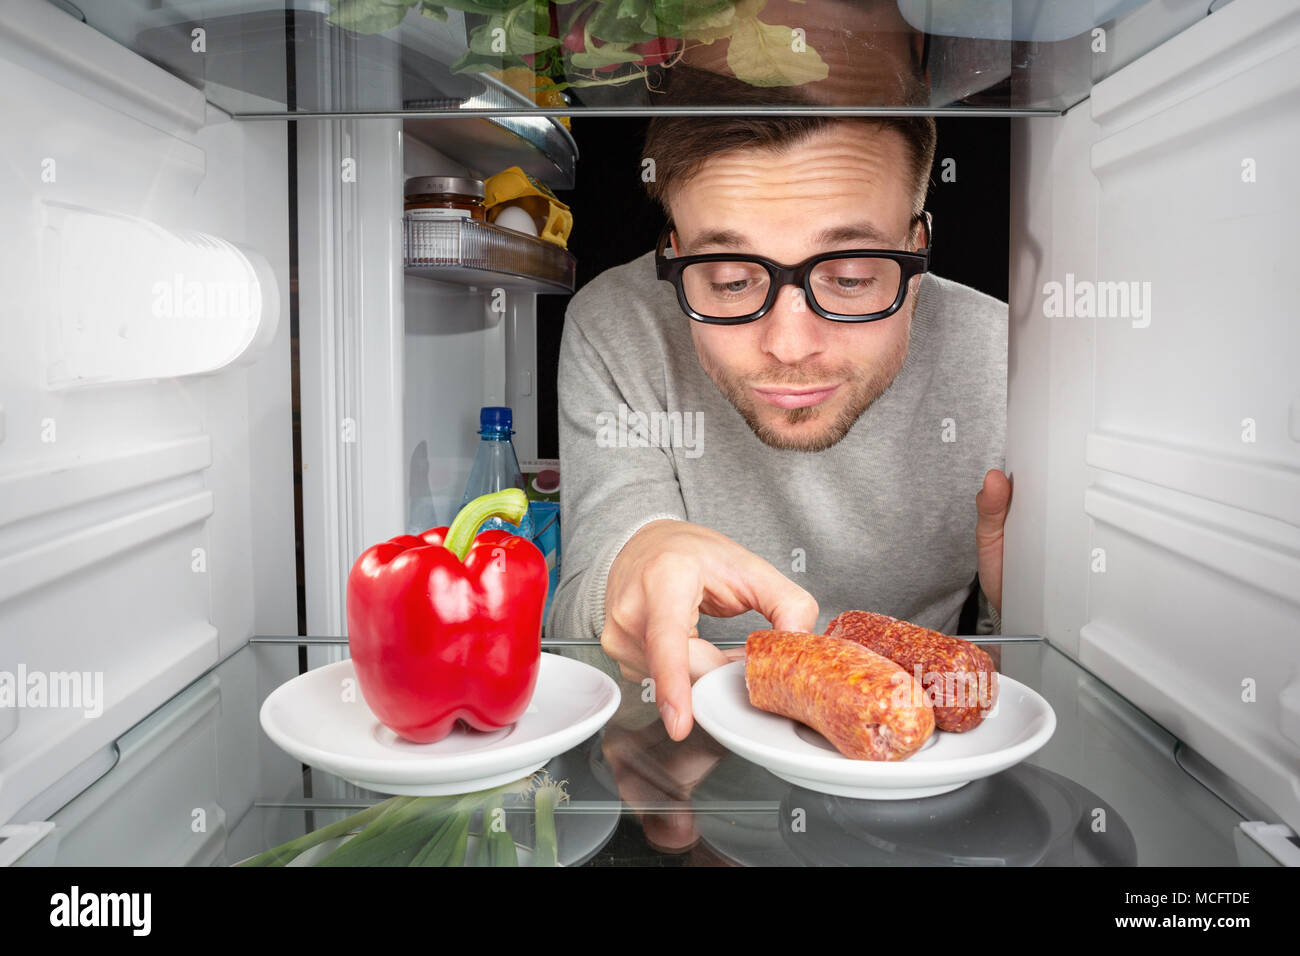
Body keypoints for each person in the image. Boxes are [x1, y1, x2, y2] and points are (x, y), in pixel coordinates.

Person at [549, 109, 1011, 742]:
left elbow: (1019, 687)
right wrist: (629, 567)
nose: (790, 346)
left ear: (917, 247)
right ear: (675, 252)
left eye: (850, 276)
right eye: (732, 281)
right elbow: (581, 635)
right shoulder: (616, 324)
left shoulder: (1008, 354)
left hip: (917, 762)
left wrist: (1034, 607)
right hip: (688, 763)